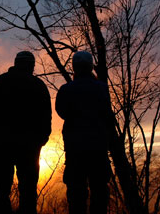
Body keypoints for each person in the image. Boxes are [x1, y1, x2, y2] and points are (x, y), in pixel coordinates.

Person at [0, 51, 52, 214]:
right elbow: (46, 117)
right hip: (30, 146)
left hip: (2, 143)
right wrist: (42, 139)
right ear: (31, 66)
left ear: (15, 63)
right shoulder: (38, 85)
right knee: (28, 189)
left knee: (2, 187)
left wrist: (1, 120)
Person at [55, 51, 112, 214]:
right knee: (99, 192)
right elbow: (107, 114)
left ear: (74, 67)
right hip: (98, 147)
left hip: (75, 149)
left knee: (76, 194)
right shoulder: (102, 88)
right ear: (91, 66)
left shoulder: (66, 89)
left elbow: (61, 111)